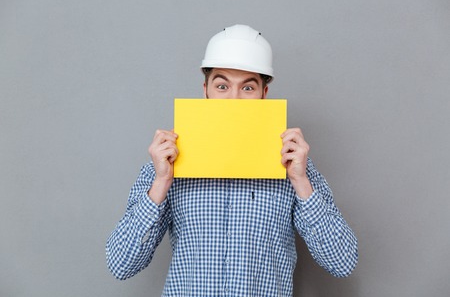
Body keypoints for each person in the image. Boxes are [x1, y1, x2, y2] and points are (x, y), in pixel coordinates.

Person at [106, 24, 358, 296]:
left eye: (247, 87)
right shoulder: (166, 165)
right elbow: (121, 264)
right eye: (222, 85)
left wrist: (301, 181)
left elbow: (342, 263)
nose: (233, 99)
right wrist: (161, 182)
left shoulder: (293, 167)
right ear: (206, 91)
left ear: (264, 94)